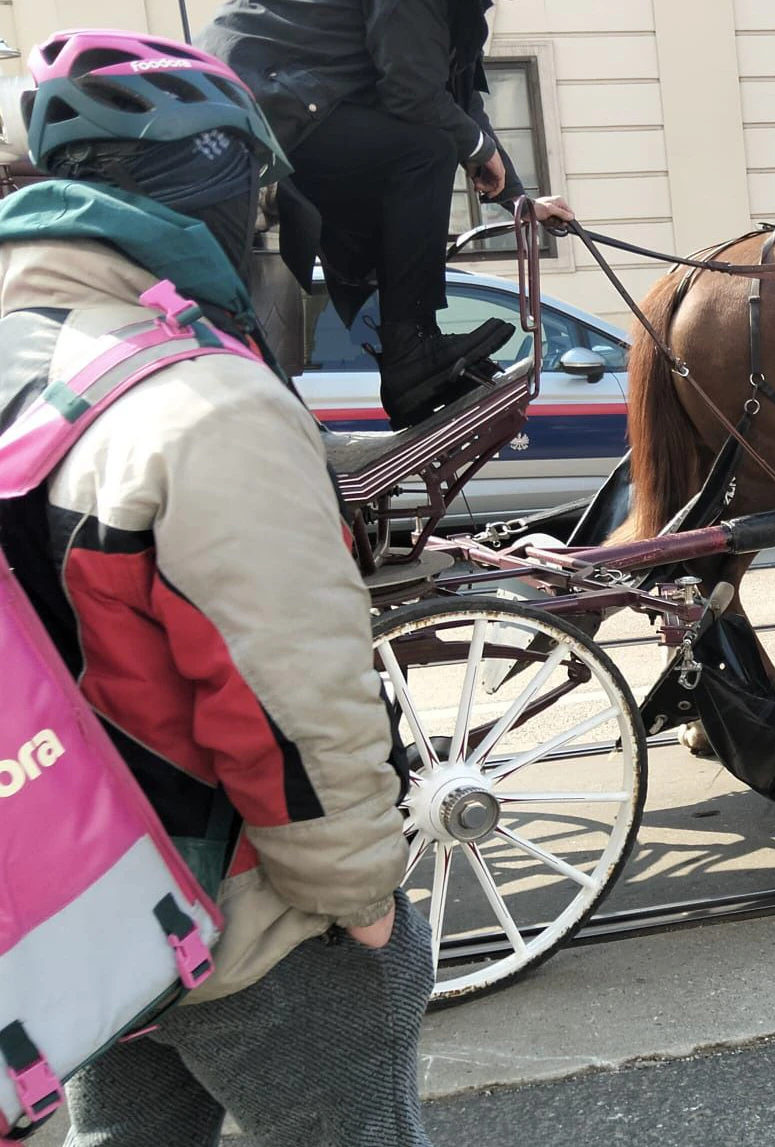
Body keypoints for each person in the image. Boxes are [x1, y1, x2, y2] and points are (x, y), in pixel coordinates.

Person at [0, 31, 431, 1143]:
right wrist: (363, 900)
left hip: (85, 898)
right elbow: (288, 693)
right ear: (222, 187)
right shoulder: (207, 405)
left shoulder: (21, 359)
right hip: (248, 920)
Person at [199, 0, 575, 431]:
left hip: (285, 98)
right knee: (424, 149)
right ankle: (410, 354)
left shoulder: (451, 14)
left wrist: (519, 201)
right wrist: (477, 149)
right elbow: (413, 91)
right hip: (258, 103)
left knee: (421, 148)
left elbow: (454, 98)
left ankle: (412, 361)